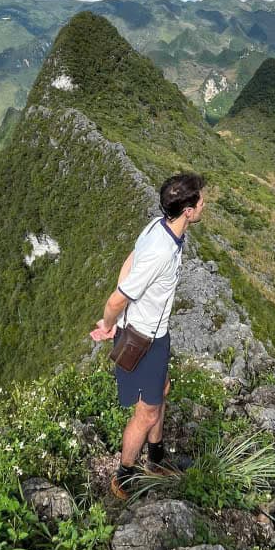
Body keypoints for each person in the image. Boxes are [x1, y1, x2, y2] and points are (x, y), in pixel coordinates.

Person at [91, 172, 206, 499]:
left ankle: (155, 458)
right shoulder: (161, 250)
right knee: (146, 414)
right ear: (188, 210)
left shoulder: (160, 226)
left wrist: (118, 307)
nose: (204, 204)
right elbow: (117, 299)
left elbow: (129, 261)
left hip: (154, 335)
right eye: (201, 200)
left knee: (162, 389)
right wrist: (108, 322)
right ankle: (124, 477)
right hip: (142, 340)